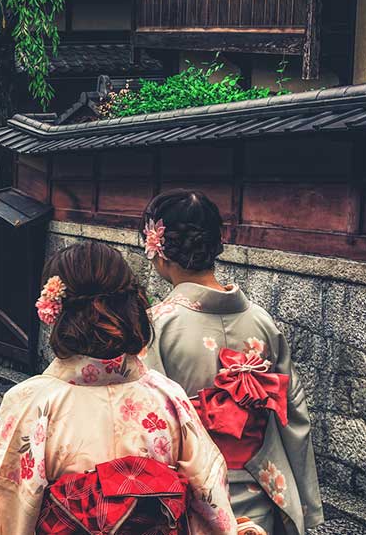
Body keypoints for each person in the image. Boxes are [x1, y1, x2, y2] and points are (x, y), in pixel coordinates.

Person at [0, 241, 238, 535]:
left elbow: (6, 506)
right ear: (130, 305)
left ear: (56, 310)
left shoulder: (32, 403)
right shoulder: (168, 396)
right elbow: (209, 493)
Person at [140, 189, 323, 535]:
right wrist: (305, 506)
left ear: (159, 249)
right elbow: (295, 418)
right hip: (262, 493)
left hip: (190, 500)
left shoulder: (156, 326)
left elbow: (149, 427)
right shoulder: (263, 322)